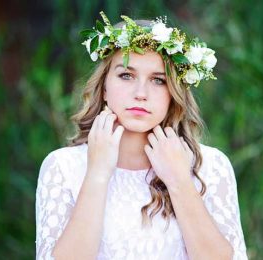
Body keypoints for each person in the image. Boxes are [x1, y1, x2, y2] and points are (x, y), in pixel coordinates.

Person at [35, 11, 248, 260]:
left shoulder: (210, 166)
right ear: (104, 87)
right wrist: (98, 173)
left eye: (158, 80)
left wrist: (179, 180)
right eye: (126, 75)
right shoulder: (63, 167)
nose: (141, 93)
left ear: (173, 93)